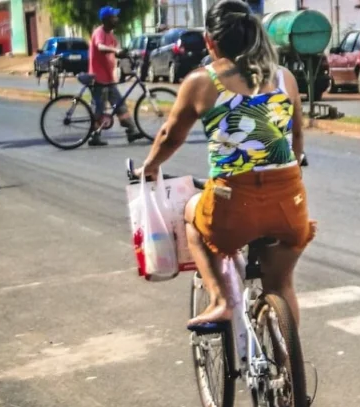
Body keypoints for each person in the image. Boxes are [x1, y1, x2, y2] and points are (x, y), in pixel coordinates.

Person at [134, 0, 315, 328]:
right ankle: (288, 368)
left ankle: (222, 300)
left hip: (233, 206)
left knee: (191, 215)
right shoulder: (284, 77)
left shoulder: (202, 81)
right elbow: (297, 137)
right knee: (282, 284)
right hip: (289, 202)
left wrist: (149, 167)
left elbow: (169, 137)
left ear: (209, 41)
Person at [87, 6, 145, 147]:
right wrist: (115, 50)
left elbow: (118, 53)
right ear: (106, 19)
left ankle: (131, 131)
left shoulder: (111, 35)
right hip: (98, 77)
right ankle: (95, 136)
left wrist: (130, 54)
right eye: (114, 17)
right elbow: (100, 47)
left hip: (108, 78)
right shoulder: (99, 32)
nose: (116, 19)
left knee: (120, 105)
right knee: (99, 109)